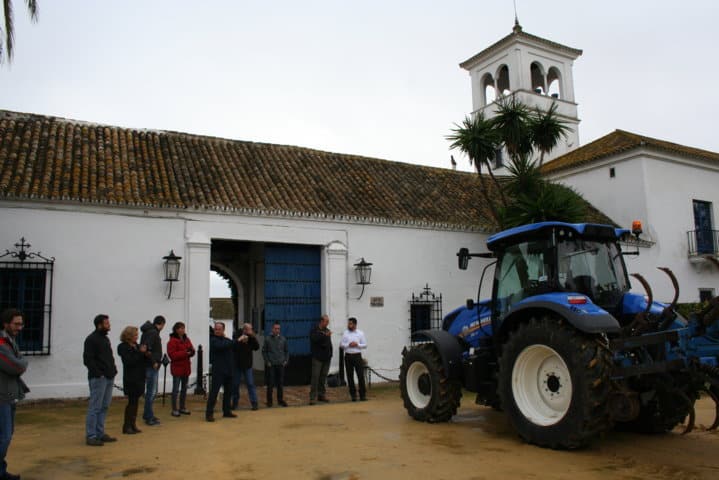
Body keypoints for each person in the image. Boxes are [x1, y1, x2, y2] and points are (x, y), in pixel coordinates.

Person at [0, 309, 28, 480]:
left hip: (9, 394)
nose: (20, 327)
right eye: (16, 324)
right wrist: (22, 362)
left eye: (21, 324)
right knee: (4, 437)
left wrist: (21, 361)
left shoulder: (10, 342)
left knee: (6, 435)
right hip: (2, 396)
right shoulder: (2, 343)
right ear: (6, 323)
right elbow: (15, 366)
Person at [83, 314, 118, 446]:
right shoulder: (91, 339)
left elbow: (109, 357)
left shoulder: (105, 339)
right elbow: (88, 359)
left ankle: (99, 432)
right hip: (99, 378)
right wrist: (98, 374)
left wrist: (113, 370)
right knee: (95, 407)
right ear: (100, 325)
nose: (109, 325)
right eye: (106, 323)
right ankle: (91, 435)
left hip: (108, 376)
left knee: (104, 406)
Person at [117, 326, 149, 434]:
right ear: (129, 336)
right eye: (135, 335)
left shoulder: (136, 346)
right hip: (131, 378)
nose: (137, 337)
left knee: (135, 402)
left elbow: (142, 359)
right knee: (131, 402)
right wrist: (140, 353)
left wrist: (145, 354)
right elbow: (129, 361)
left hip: (140, 377)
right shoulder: (123, 347)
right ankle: (127, 426)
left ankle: (133, 424)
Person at [205, 322, 237, 421]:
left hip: (229, 370)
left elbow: (231, 347)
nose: (217, 331)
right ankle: (209, 414)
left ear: (223, 330)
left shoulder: (226, 340)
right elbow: (222, 346)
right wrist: (236, 340)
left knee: (228, 392)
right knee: (214, 392)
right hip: (218, 371)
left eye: (219, 329)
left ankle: (226, 411)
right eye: (216, 329)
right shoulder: (213, 340)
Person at [140, 315, 166, 426]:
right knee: (151, 392)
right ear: (161, 324)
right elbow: (147, 349)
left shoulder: (148, 332)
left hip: (149, 364)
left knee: (151, 391)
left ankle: (148, 414)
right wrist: (153, 361)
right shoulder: (153, 333)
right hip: (151, 365)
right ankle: (148, 416)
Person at [167, 322, 195, 417]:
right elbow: (172, 355)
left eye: (183, 328)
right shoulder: (172, 341)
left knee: (184, 389)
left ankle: (182, 407)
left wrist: (191, 352)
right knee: (175, 389)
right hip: (177, 368)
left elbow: (191, 349)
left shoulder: (187, 339)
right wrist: (185, 353)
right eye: (180, 328)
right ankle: (174, 409)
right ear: (176, 330)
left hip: (186, 367)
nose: (182, 330)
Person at [231, 323, 259, 411]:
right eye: (247, 329)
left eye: (250, 329)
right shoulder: (237, 335)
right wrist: (240, 339)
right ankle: (235, 402)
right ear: (244, 329)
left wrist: (252, 337)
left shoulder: (251, 337)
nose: (249, 331)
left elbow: (256, 347)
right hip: (237, 364)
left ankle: (254, 403)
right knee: (235, 384)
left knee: (250, 384)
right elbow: (233, 346)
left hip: (247, 365)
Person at [340, 317, 367, 402]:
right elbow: (341, 345)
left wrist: (357, 344)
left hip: (357, 356)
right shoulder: (345, 333)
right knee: (349, 376)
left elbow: (365, 345)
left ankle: (362, 395)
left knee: (360, 375)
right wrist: (348, 344)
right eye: (348, 323)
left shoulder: (360, 333)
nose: (349, 325)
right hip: (348, 356)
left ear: (355, 324)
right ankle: (353, 395)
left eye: (350, 324)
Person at [262, 322, 288, 407]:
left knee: (280, 383)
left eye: (278, 329)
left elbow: (286, 351)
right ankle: (269, 402)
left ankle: (280, 400)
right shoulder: (267, 339)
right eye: (275, 328)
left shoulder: (283, 339)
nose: (277, 330)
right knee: (270, 384)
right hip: (271, 364)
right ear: (272, 329)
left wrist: (285, 360)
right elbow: (264, 351)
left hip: (280, 364)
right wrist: (267, 361)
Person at [309, 315, 332, 405]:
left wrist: (331, 354)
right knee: (315, 377)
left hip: (327, 358)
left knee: (323, 377)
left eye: (328, 321)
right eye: (326, 321)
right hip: (317, 358)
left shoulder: (327, 331)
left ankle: (321, 395)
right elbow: (315, 339)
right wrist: (324, 336)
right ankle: (312, 397)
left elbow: (329, 343)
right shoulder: (314, 330)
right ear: (321, 321)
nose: (327, 323)